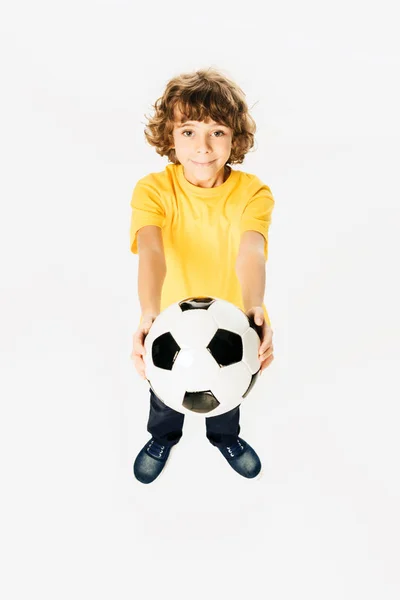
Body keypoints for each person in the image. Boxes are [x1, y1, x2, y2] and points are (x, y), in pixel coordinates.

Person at [129, 67, 275, 484]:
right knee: (164, 391)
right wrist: (148, 312)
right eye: (188, 132)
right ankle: (163, 436)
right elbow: (151, 249)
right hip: (168, 318)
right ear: (169, 136)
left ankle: (225, 437)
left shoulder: (253, 192)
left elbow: (251, 249)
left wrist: (253, 307)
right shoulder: (153, 190)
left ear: (235, 138)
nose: (203, 147)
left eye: (217, 132)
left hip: (233, 318)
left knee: (228, 387)